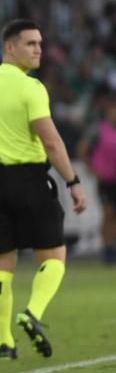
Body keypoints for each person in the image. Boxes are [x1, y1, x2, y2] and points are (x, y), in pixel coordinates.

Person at [0, 19, 87, 360]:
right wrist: (73, 182)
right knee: (54, 257)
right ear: (9, 47)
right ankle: (32, 313)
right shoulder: (30, 88)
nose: (38, 50)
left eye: (40, 44)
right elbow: (51, 141)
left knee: (1, 264)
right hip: (30, 182)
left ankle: (4, 343)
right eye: (31, 43)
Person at [77, 93, 116, 264]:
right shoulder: (99, 129)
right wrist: (92, 169)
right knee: (109, 213)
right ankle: (108, 250)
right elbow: (82, 148)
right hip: (107, 180)